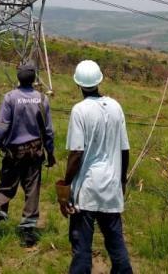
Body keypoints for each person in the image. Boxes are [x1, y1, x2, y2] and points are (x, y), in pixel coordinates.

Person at [56, 60, 133, 273]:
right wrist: (122, 180)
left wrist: (66, 185)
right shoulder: (116, 107)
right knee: (117, 247)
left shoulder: (79, 110)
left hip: (87, 190)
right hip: (111, 188)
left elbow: (76, 153)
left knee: (81, 249)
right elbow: (124, 150)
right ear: (99, 81)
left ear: (78, 85)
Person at [0, 61, 55, 247]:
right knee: (32, 189)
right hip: (35, 151)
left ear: (18, 77)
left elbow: (1, 129)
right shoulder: (42, 99)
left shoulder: (10, 98)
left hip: (14, 152)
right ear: (34, 78)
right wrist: (50, 153)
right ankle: (28, 232)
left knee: (6, 187)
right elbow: (48, 131)